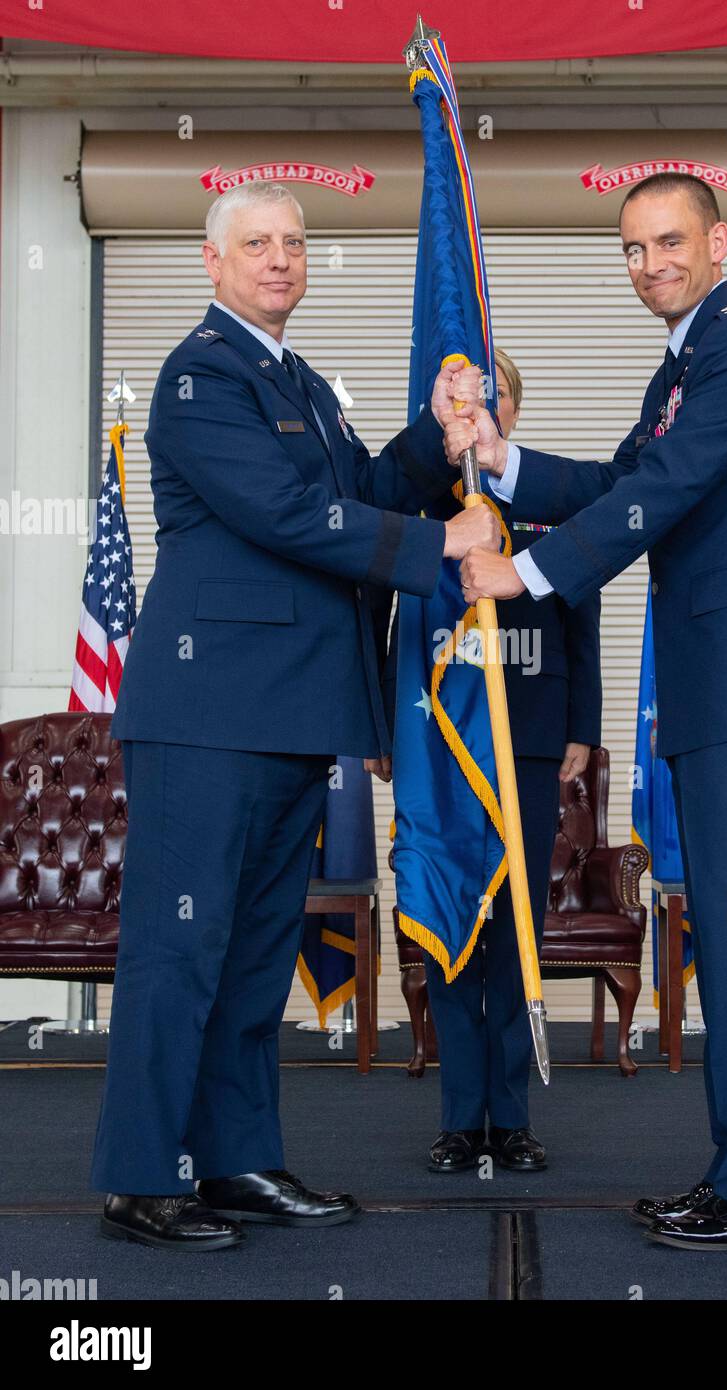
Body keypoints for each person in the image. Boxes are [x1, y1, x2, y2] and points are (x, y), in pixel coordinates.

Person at [446, 173, 727, 1251]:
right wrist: (501, 459)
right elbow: (619, 480)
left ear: (718, 241)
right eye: (632, 248)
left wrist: (521, 578)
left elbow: (655, 494)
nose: (651, 263)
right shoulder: (683, 364)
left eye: (670, 240)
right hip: (722, 692)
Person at [90, 180, 494, 1251]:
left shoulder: (302, 383)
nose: (279, 259)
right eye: (256, 243)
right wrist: (438, 546)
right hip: (206, 714)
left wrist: (436, 438)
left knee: (258, 949)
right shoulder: (199, 376)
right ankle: (144, 1174)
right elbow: (284, 513)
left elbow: (357, 482)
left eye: (294, 243)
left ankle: (237, 1160)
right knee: (179, 950)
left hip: (290, 716)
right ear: (213, 264)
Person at [369, 349, 601, 1174]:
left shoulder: (543, 505)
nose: (475, 404)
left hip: (529, 738)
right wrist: (379, 729)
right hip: (435, 743)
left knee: (514, 932)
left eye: (491, 394)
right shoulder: (418, 508)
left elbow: (579, 611)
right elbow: (375, 613)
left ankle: (512, 1118)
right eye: (462, 393)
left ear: (511, 411)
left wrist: (582, 723)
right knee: (446, 926)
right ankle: (459, 1117)